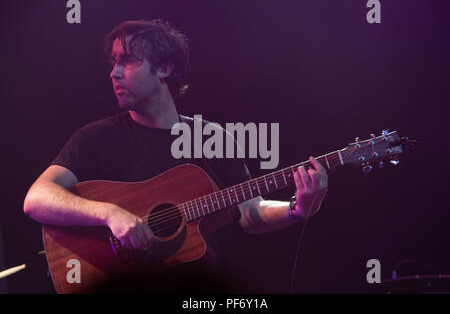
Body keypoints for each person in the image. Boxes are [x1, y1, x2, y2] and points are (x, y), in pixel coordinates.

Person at [23, 19, 328, 293]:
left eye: (127, 61)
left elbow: (249, 211)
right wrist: (110, 214)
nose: (114, 72)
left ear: (164, 68)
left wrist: (297, 209)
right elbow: (36, 199)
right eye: (114, 62)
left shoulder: (212, 137)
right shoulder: (94, 138)